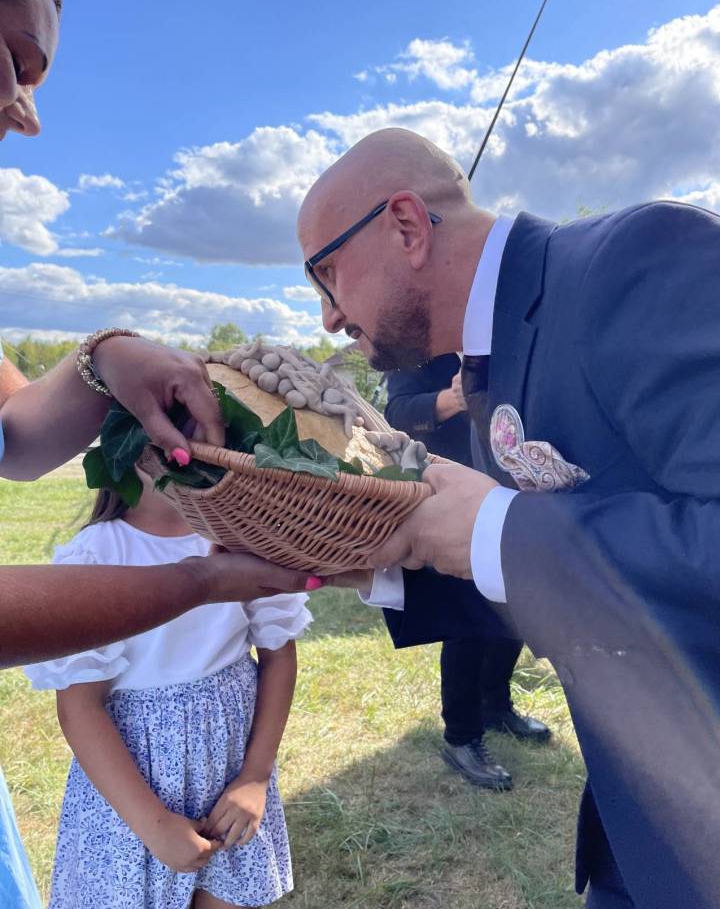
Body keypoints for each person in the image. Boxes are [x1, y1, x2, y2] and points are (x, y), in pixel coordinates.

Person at [297, 127, 720, 909]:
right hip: (640, 833)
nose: (327, 317)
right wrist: (382, 558)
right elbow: (554, 582)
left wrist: (497, 530)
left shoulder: (639, 259)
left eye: (325, 273)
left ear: (406, 226)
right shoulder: (494, 354)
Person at [0, 0, 314, 907]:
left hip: (223, 765)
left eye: (34, 73)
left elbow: (15, 441)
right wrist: (203, 581)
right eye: (10, 57)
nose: (25, 113)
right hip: (136, 800)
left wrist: (104, 354)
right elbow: (82, 699)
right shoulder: (107, 552)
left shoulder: (228, 544)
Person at [25, 473, 310, 909]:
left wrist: (255, 776)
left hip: (229, 774)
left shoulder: (243, 538)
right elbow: (80, 707)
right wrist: (153, 826)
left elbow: (278, 656)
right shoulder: (97, 556)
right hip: (134, 798)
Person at [385, 353, 549, 790]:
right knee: (467, 627)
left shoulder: (502, 346)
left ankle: (496, 705)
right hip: (451, 507)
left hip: (511, 497)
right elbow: (397, 413)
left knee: (514, 617)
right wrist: (452, 398)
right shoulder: (419, 349)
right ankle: (461, 736)